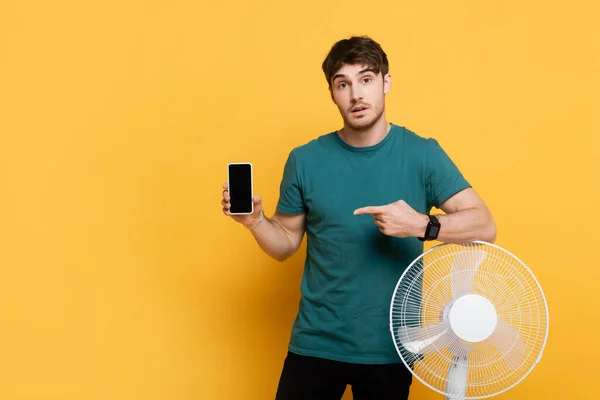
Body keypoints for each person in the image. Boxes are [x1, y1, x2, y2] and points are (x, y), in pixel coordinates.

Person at [221, 35, 496, 400]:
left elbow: (484, 225)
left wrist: (419, 225)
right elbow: (285, 243)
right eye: (343, 84)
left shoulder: (423, 154)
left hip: (390, 349)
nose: (356, 95)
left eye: (366, 79)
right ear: (332, 93)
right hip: (315, 343)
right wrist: (254, 221)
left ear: (386, 83)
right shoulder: (305, 160)